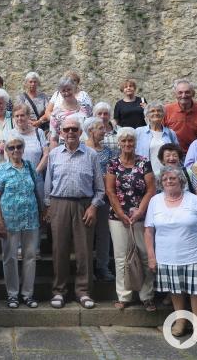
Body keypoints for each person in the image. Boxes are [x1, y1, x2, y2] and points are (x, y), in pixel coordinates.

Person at [144, 166, 197, 340]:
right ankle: (181, 321)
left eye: (173, 178)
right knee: (175, 290)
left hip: (195, 254)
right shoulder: (155, 201)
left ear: (181, 181)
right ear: (161, 182)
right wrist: (151, 257)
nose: (169, 181)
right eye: (165, 179)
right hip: (167, 256)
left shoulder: (194, 200)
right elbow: (148, 231)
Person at [44, 116, 105, 310]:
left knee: (84, 250)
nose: (70, 132)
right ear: (61, 133)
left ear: (81, 132)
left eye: (74, 129)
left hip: (84, 205)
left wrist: (94, 206)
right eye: (67, 129)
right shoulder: (54, 154)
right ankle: (59, 291)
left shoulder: (91, 155)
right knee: (59, 250)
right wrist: (48, 206)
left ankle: (83, 291)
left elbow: (100, 188)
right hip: (59, 204)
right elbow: (48, 184)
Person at [105, 127, 156, 311]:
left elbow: (151, 189)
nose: (127, 144)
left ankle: (146, 296)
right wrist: (120, 213)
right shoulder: (112, 164)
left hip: (140, 216)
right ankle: (124, 296)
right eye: (124, 141)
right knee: (121, 258)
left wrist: (140, 211)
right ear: (119, 143)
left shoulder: (144, 163)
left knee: (143, 255)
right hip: (118, 217)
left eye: (131, 141)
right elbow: (110, 191)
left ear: (135, 143)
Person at [0, 134, 42, 309]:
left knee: (30, 257)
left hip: (30, 219)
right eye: (11, 147)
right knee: (10, 258)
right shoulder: (1, 169)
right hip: (10, 221)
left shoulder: (29, 167)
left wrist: (42, 211)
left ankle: (28, 294)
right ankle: (12, 294)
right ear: (6, 151)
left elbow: (37, 191)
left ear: (23, 148)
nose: (15, 150)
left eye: (18, 147)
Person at [83, 117, 116, 282]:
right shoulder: (82, 150)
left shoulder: (108, 152)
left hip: (103, 198)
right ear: (91, 131)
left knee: (103, 234)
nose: (104, 131)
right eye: (101, 128)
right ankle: (86, 269)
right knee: (85, 235)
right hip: (84, 198)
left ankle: (102, 267)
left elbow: (111, 175)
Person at [163, 78, 197, 153]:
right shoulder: (167, 110)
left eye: (187, 92)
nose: (183, 95)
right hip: (175, 155)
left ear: (193, 93)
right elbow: (160, 133)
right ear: (175, 94)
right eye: (180, 92)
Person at [135, 102, 179, 177]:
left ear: (163, 114)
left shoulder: (170, 133)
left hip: (167, 176)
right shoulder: (138, 132)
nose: (156, 113)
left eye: (159, 111)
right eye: (152, 111)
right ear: (147, 115)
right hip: (144, 175)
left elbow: (177, 154)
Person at [49, 78, 92, 147]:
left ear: (74, 89)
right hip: (65, 149)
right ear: (60, 93)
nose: (66, 93)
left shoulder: (86, 108)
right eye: (63, 91)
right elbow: (54, 139)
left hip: (86, 148)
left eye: (69, 89)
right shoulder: (56, 114)